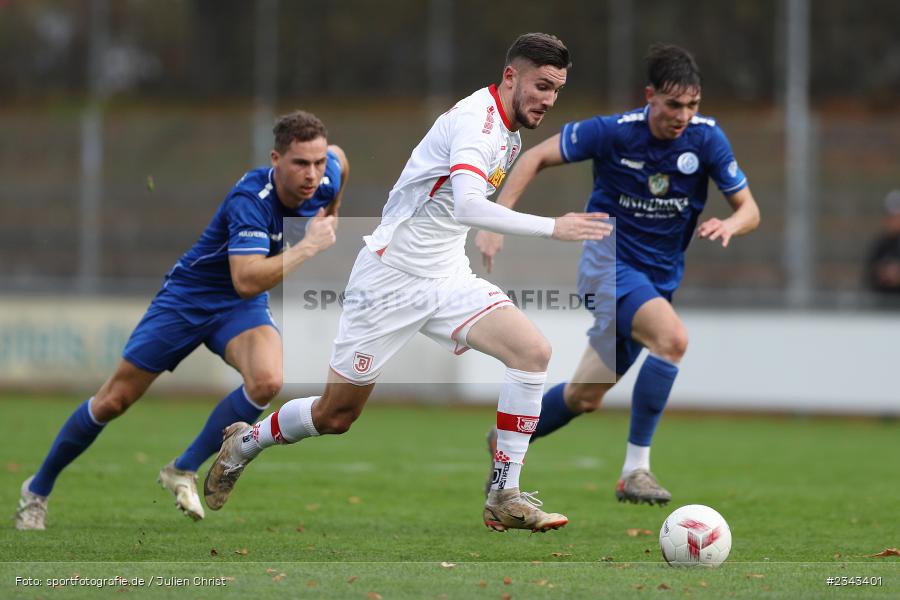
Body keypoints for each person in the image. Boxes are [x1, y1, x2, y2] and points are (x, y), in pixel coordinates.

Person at [203, 33, 613, 533]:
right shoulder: (476, 124)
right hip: (390, 279)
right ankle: (245, 443)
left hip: (447, 276)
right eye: (541, 85)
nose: (548, 100)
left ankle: (504, 493)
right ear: (511, 76)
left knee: (533, 353)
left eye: (557, 90)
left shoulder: (510, 132)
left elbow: (458, 211)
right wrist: (554, 227)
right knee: (336, 416)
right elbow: (465, 205)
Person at [15, 111, 348, 530]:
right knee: (113, 400)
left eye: (318, 163)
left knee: (267, 380)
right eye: (301, 163)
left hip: (236, 309)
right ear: (275, 159)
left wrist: (330, 211)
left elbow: (341, 159)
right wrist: (309, 245)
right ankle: (37, 490)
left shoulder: (326, 176)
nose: (313, 173)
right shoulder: (251, 199)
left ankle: (183, 468)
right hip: (188, 299)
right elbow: (245, 279)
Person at [476, 44, 760, 505]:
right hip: (605, 269)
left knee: (582, 397)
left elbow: (750, 210)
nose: (682, 115)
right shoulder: (613, 132)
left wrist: (730, 223)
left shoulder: (707, 140)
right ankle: (636, 471)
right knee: (672, 340)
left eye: (692, 105)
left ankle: (504, 440)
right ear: (650, 96)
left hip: (654, 283)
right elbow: (533, 158)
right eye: (673, 105)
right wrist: (495, 220)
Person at [865, 189, 900, 296]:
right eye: (890, 216)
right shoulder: (880, 244)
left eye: (896, 216)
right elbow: (867, 275)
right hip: (883, 307)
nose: (892, 220)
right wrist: (881, 274)